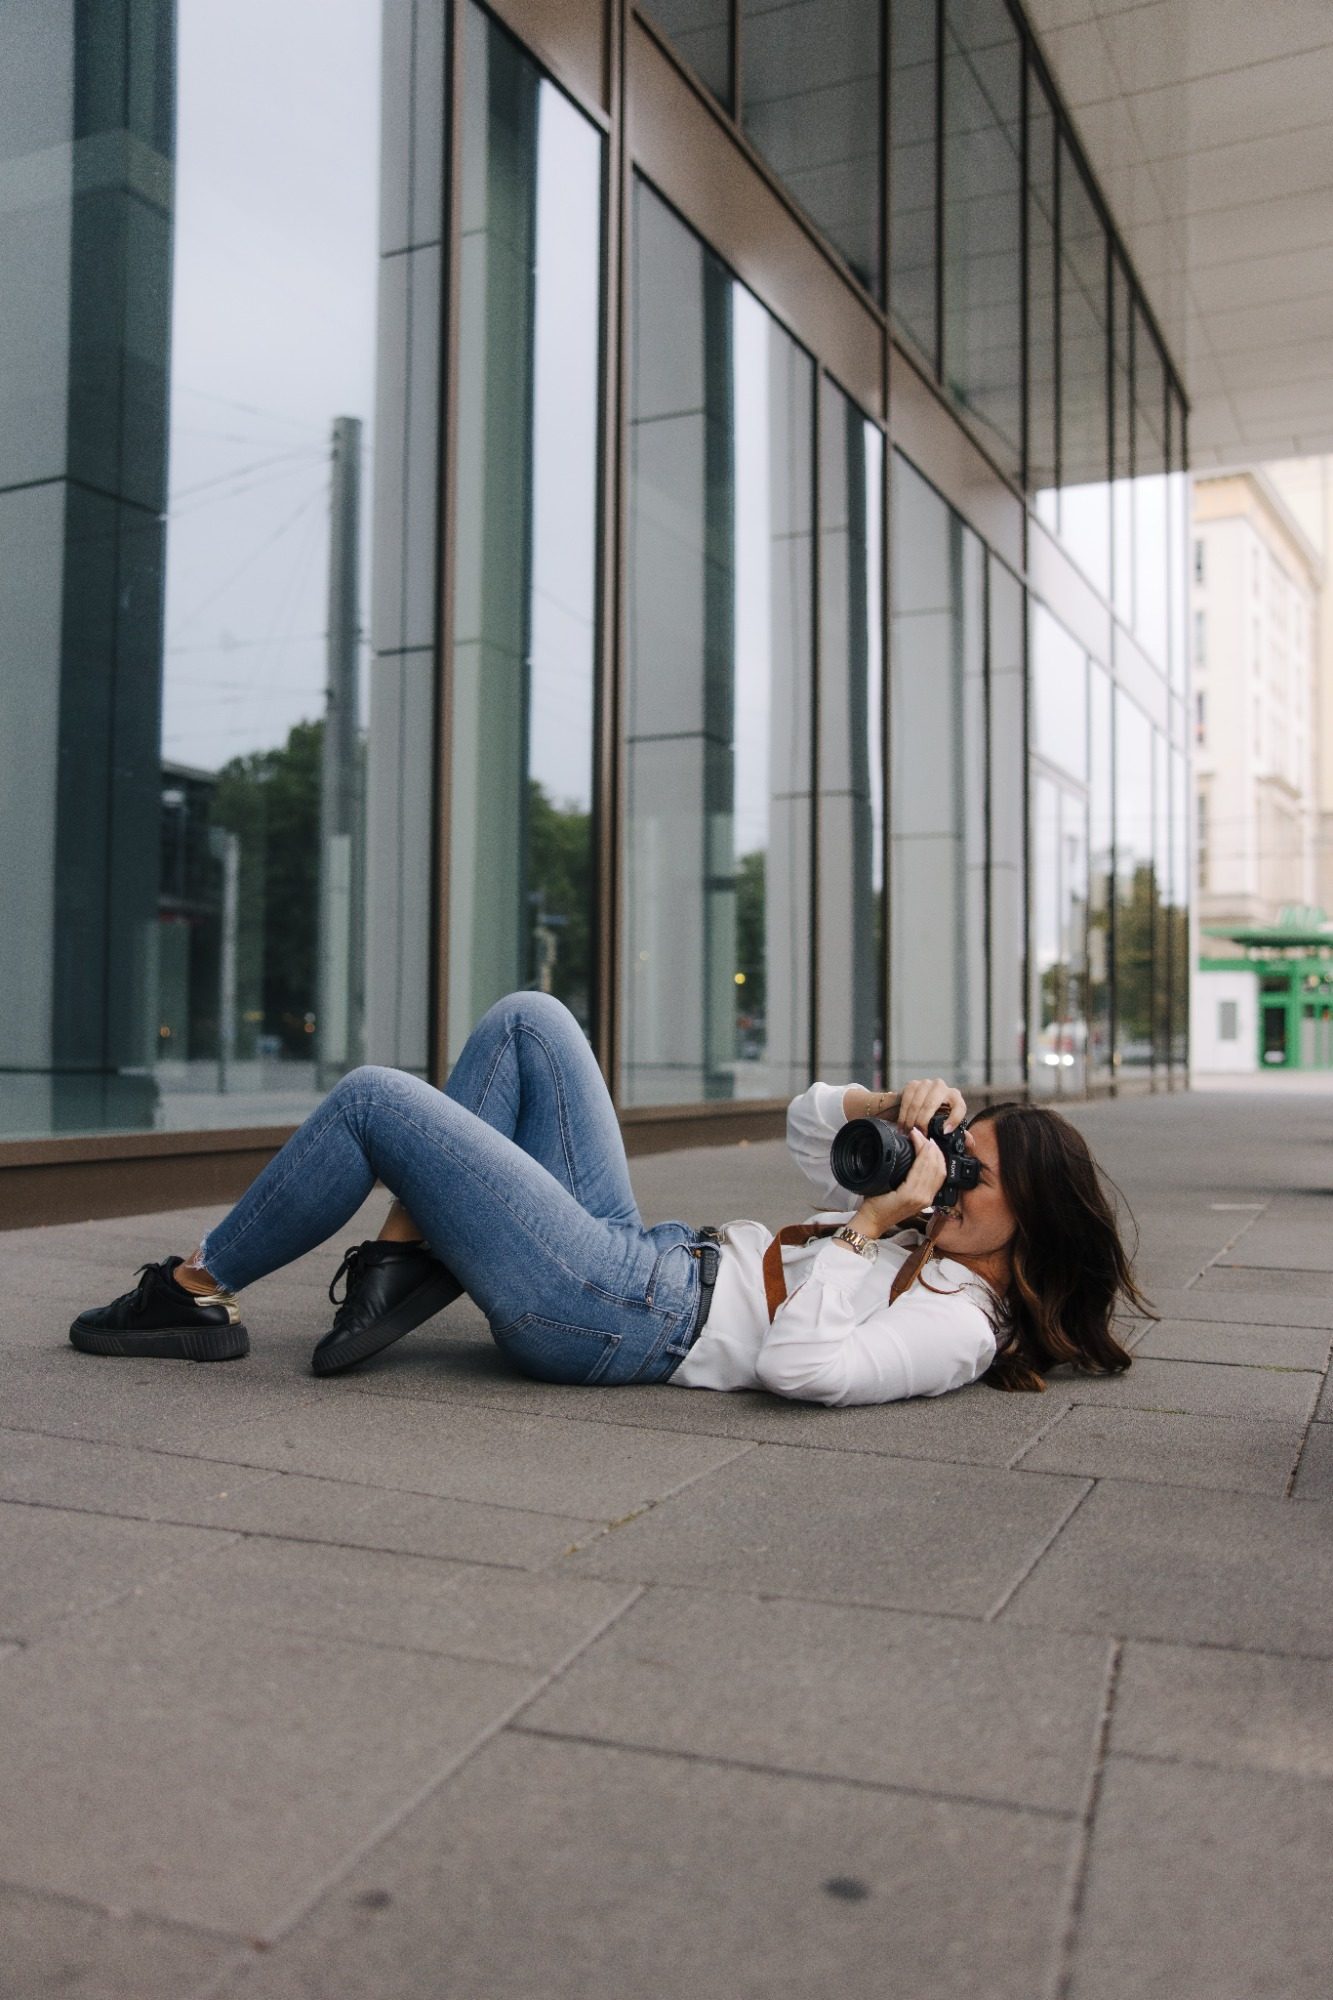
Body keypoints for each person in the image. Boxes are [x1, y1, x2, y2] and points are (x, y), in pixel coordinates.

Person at [69, 992, 1145, 1403]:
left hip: (613, 1309)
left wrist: (867, 1227)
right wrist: (884, 1102)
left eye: (977, 1175)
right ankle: (408, 1256)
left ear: (1032, 1222)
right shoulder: (925, 1222)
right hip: (645, 1253)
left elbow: (803, 1367)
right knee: (531, 1020)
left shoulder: (958, 1319)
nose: (953, 1181)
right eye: (963, 1156)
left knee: (371, 1101)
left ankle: (195, 1289)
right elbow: (807, 1124)